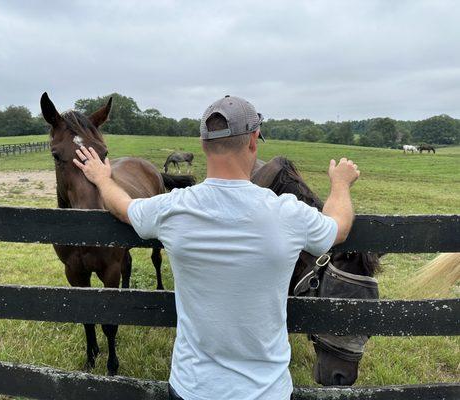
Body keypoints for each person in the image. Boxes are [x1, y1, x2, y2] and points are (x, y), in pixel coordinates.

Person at [73, 95, 359, 400]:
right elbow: (338, 228)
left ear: (202, 144)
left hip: (192, 388)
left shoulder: (173, 208)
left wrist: (102, 180)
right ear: (253, 141)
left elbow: (124, 207)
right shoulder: (287, 213)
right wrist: (340, 184)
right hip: (267, 391)